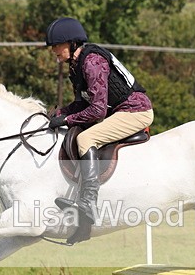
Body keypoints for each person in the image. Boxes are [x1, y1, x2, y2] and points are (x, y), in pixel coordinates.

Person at [45, 17, 154, 244]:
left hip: (136, 111)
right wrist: (59, 114)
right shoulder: (76, 66)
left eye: (57, 45)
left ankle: (88, 201)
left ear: (72, 43)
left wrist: (67, 120)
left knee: (86, 138)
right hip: (120, 111)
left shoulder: (92, 62)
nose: (53, 50)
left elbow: (96, 111)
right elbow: (83, 103)